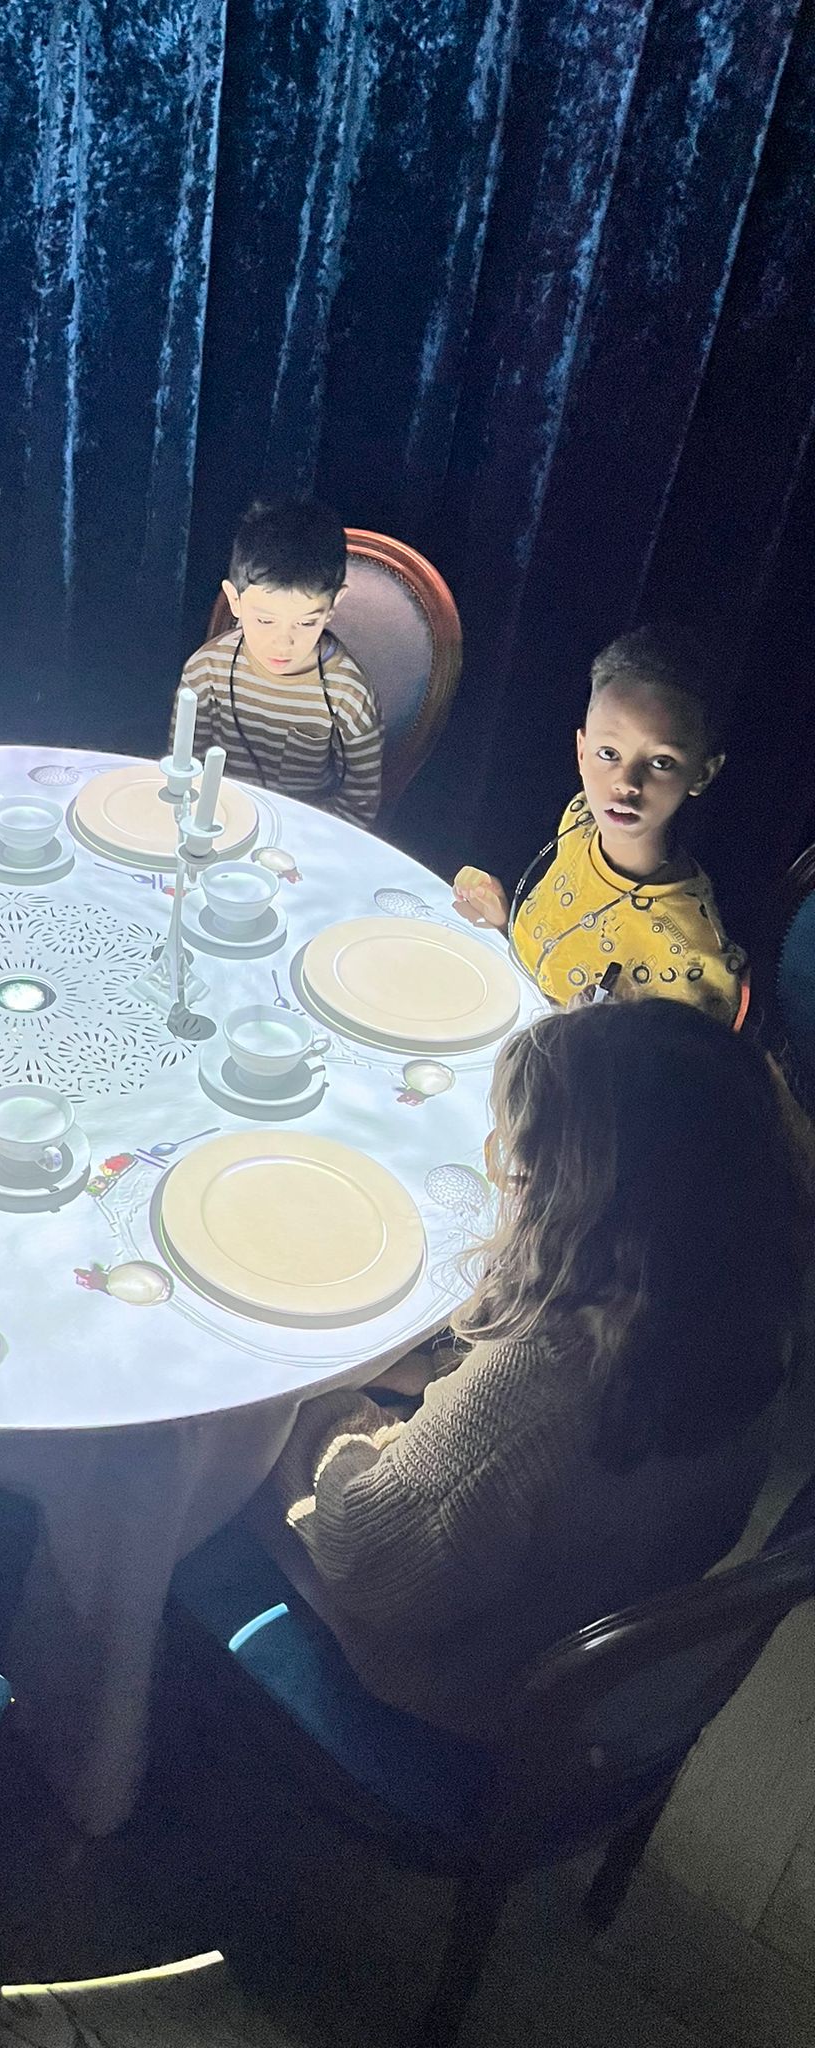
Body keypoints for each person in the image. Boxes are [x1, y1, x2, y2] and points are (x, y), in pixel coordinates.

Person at [253, 999, 811, 1739]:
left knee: (227, 1440)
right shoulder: (749, 1308)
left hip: (452, 1679)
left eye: (520, 1162)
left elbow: (364, 1554)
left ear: (576, 1198)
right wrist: (441, 1374)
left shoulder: (546, 1382)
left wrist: (325, 1408)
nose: (507, 1176)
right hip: (578, 1607)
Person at [454, 625, 746, 1021]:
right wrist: (503, 922)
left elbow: (670, 1061)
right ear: (581, 750)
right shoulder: (580, 820)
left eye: (661, 762)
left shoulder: (693, 959)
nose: (626, 783)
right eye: (608, 753)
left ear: (702, 773)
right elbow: (550, 958)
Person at [174, 495, 382, 827]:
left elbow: (358, 807)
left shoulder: (348, 695)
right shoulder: (206, 671)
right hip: (216, 826)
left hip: (305, 837)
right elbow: (185, 773)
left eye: (306, 622)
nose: (283, 642)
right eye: (265, 620)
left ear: (333, 605)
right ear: (234, 600)